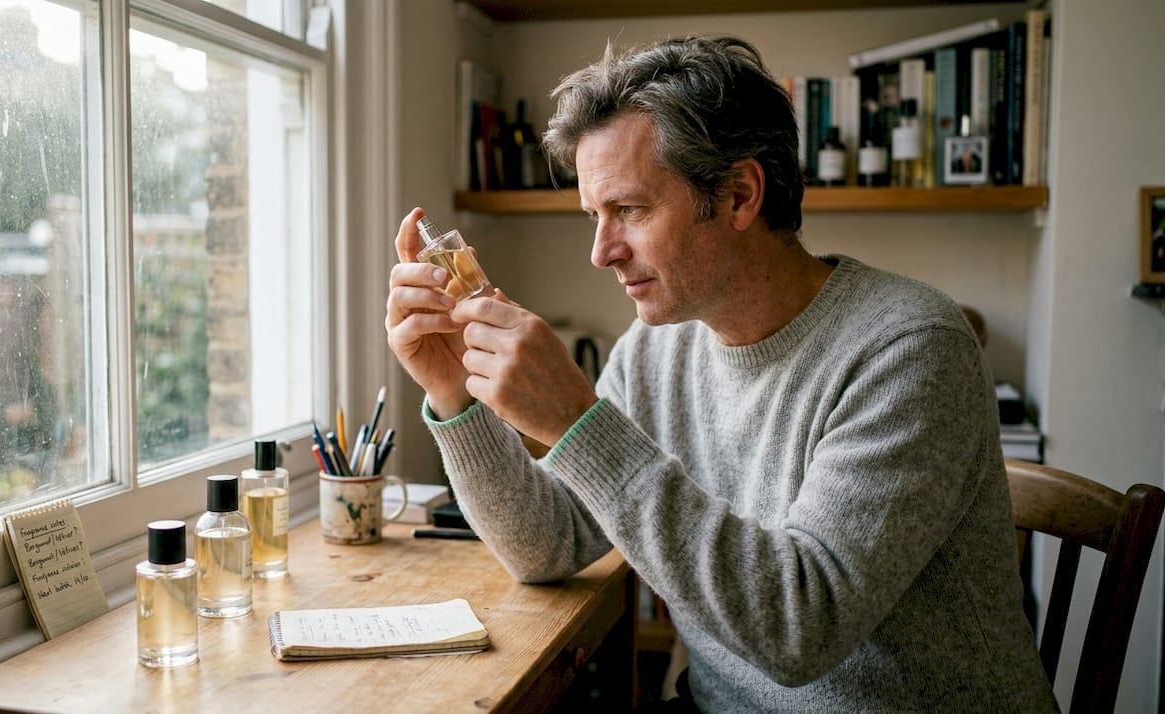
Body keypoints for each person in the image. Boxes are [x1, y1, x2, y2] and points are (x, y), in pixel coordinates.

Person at [385, 36, 1057, 712]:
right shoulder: (656, 352)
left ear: (739, 194)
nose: (601, 251)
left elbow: (801, 628)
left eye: (629, 210)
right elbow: (549, 544)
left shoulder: (911, 349)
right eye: (595, 216)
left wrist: (577, 424)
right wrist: (454, 396)